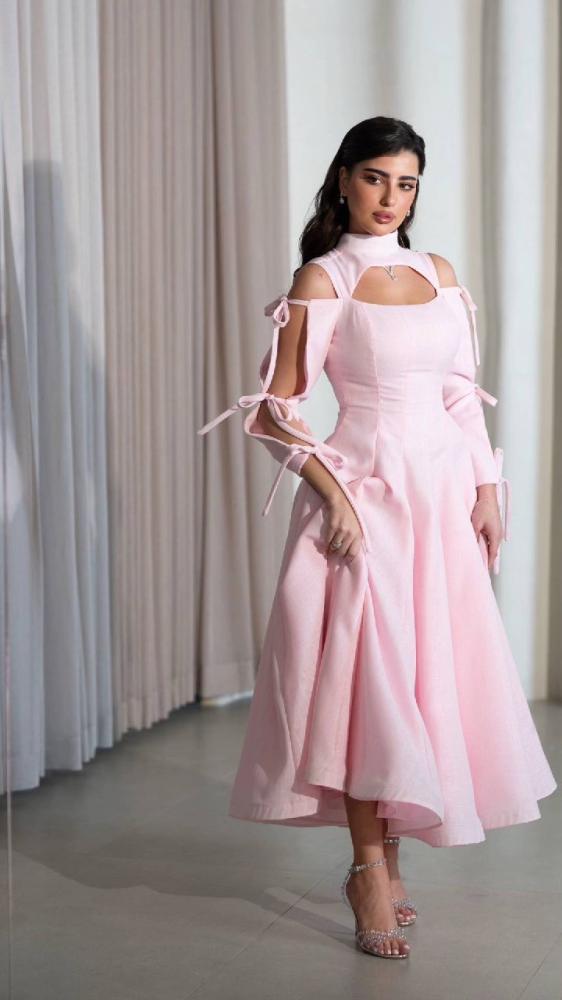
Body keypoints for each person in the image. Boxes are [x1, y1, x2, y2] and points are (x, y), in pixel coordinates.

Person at [197, 116, 557, 960]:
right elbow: (275, 413)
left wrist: (488, 489)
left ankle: (390, 862)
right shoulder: (322, 278)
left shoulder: (438, 273)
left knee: (423, 681)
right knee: (370, 687)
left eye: (407, 183)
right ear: (344, 179)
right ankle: (367, 869)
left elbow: (460, 394)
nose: (391, 198)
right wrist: (334, 499)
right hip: (366, 501)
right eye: (375, 178)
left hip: (440, 503)